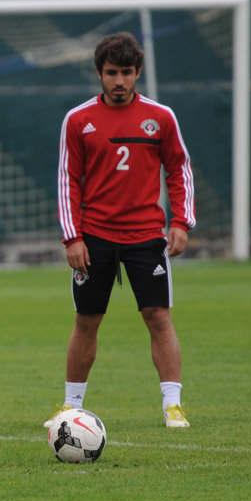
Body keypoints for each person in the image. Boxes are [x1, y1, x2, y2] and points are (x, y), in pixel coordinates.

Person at [48, 31, 196, 429]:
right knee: (87, 320)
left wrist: (181, 222)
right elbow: (67, 180)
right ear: (99, 72)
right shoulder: (78, 119)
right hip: (94, 236)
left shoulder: (161, 117)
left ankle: (173, 406)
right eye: (112, 72)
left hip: (146, 235)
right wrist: (72, 237)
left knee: (158, 316)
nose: (119, 81)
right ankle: (70, 407)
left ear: (138, 72)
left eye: (127, 72)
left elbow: (179, 169)